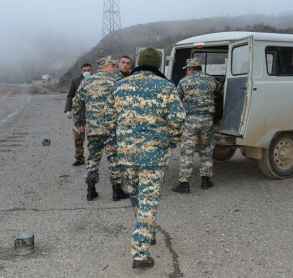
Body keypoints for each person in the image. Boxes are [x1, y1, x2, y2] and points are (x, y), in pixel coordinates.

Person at [103, 47, 185, 269]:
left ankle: (146, 231)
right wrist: (171, 142)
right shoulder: (167, 87)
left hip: (126, 154)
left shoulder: (119, 86)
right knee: (148, 200)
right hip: (154, 155)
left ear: (139, 63)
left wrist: (119, 142)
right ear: (157, 65)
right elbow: (178, 119)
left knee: (136, 196)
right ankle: (140, 253)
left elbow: (108, 121)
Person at [72, 56, 129, 201]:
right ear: (107, 66)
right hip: (111, 129)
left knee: (93, 159)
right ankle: (117, 191)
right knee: (114, 159)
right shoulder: (116, 82)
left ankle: (90, 191)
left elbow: (77, 103)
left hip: (93, 130)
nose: (115, 69)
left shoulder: (86, 82)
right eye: (114, 66)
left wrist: (79, 123)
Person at [172, 58, 223, 194]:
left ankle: (184, 184)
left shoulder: (183, 81)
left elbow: (177, 100)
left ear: (190, 69)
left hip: (190, 121)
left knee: (187, 152)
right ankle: (205, 181)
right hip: (207, 121)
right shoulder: (210, 80)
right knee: (206, 149)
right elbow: (221, 90)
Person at [64, 63, 91, 167]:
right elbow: (70, 96)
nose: (87, 72)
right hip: (79, 113)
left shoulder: (95, 80)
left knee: (93, 137)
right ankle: (79, 158)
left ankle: (93, 159)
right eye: (85, 70)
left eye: (89, 70)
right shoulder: (75, 81)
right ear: (81, 71)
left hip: (92, 113)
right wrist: (68, 110)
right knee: (78, 136)